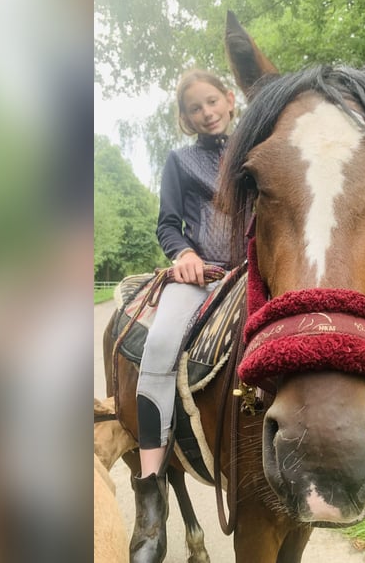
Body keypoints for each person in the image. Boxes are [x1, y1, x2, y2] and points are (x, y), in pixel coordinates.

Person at [130, 69, 236, 563]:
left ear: (229, 99)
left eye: (211, 100)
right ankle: (150, 487)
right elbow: (167, 223)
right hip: (200, 277)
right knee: (159, 346)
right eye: (195, 108)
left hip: (253, 271)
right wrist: (184, 255)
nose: (206, 111)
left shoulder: (256, 151)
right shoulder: (180, 160)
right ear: (185, 118)